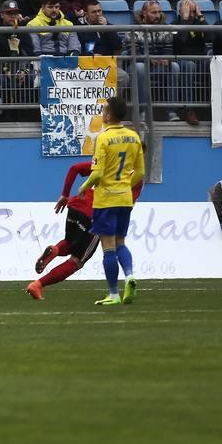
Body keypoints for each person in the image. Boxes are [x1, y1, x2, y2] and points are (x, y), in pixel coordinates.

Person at [26, 155, 142, 299]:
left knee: (69, 242)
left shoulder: (108, 162)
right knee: (77, 261)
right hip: (96, 215)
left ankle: (54, 250)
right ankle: (37, 285)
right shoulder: (137, 176)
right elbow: (127, 204)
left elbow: (75, 168)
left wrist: (64, 195)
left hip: (76, 205)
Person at [77, 95, 143, 305]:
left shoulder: (103, 138)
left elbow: (97, 174)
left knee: (108, 248)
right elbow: (140, 172)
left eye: (104, 110)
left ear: (109, 114)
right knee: (121, 242)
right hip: (125, 198)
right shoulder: (133, 137)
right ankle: (130, 275)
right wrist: (124, 185)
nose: (102, 113)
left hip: (105, 199)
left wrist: (84, 186)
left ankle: (113, 293)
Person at [172, 0, 208, 125]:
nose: (192, 14)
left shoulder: (199, 22)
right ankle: (189, 110)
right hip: (181, 60)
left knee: (214, 63)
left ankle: (214, 107)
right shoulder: (174, 24)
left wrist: (201, 16)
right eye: (189, 11)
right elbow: (180, 41)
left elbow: (211, 38)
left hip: (200, 59)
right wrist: (185, 19)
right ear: (181, 11)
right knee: (189, 65)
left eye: (194, 11)